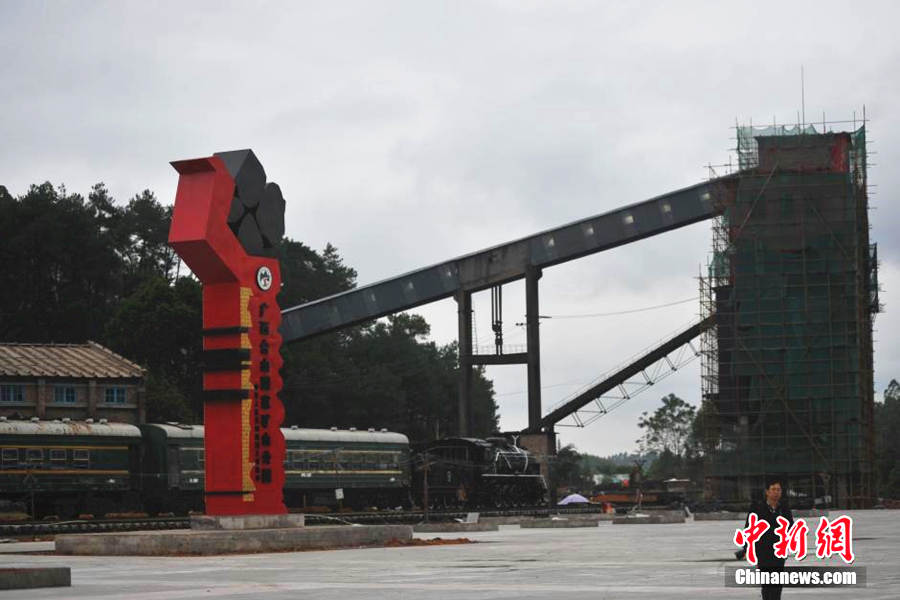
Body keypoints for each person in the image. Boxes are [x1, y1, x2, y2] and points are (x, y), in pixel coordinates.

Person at [744, 477, 793, 600]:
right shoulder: (757, 508)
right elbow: (748, 528)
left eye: (778, 489)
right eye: (773, 489)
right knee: (766, 584)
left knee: (777, 583)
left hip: (779, 552)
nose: (776, 492)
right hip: (763, 551)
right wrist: (746, 548)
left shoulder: (784, 508)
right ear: (767, 492)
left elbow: (790, 526)